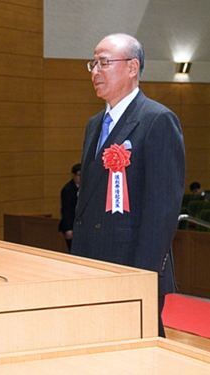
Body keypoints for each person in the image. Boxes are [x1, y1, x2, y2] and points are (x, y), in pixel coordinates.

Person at [71, 34, 185, 338]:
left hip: (131, 267)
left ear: (132, 67)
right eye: (93, 63)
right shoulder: (95, 124)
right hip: (91, 263)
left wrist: (141, 277)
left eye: (104, 62)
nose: (95, 71)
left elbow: (162, 211)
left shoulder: (157, 120)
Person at [58, 163, 80, 251]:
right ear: (73, 175)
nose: (81, 178)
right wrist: (68, 228)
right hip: (71, 226)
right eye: (79, 175)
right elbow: (66, 210)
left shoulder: (84, 188)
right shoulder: (68, 190)